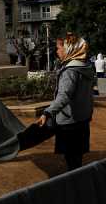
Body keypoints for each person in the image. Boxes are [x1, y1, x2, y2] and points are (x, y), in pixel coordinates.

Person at [35, 33, 95, 171]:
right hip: (83, 120)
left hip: (70, 124)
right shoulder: (85, 67)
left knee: (72, 161)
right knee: (77, 159)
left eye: (59, 48)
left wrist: (47, 112)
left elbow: (64, 96)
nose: (57, 51)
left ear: (69, 49)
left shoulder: (70, 71)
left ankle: (74, 187)